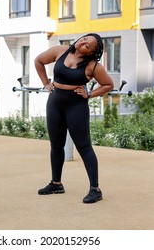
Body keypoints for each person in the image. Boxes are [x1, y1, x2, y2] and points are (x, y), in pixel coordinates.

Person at [34, 33, 114, 204]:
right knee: (56, 144)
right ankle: (56, 184)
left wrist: (90, 93)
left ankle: (95, 189)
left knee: (84, 146)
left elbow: (108, 85)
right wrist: (46, 83)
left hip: (76, 106)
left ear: (91, 52)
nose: (83, 42)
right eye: (84, 39)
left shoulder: (93, 66)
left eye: (88, 45)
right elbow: (38, 61)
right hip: (55, 102)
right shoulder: (61, 51)